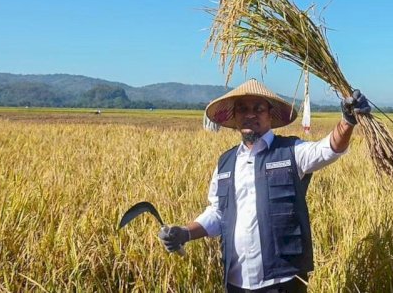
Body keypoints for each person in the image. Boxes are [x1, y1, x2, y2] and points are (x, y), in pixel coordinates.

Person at [158, 78, 370, 292]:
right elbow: (217, 213)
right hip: (235, 282)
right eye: (242, 109)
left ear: (270, 114)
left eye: (258, 108)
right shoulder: (225, 162)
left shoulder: (291, 152)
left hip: (282, 282)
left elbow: (328, 149)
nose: (250, 114)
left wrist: (347, 120)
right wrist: (185, 232)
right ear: (235, 116)